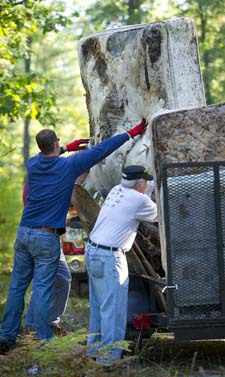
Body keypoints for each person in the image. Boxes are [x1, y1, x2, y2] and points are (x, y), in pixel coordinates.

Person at [0, 119, 148, 354]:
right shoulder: (67, 167)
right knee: (42, 288)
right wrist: (131, 133)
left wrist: (67, 147)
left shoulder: (33, 164)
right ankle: (42, 341)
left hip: (24, 232)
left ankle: (6, 337)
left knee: (19, 287)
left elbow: (49, 153)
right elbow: (102, 149)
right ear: (55, 143)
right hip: (45, 237)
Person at [85, 165, 158, 364]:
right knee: (115, 310)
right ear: (139, 184)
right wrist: (152, 190)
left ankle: (93, 351)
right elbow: (157, 214)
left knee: (100, 307)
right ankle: (108, 361)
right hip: (110, 257)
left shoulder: (117, 190)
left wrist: (147, 187)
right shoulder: (139, 200)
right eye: (145, 182)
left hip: (92, 251)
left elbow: (138, 198)